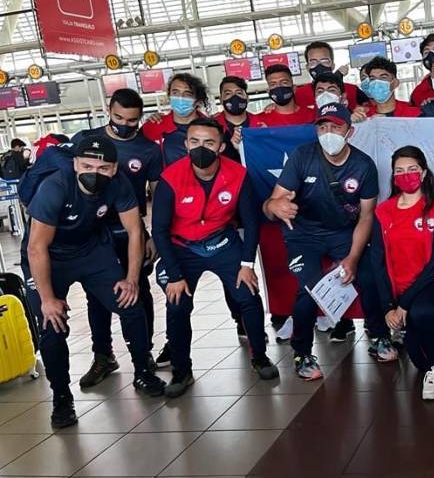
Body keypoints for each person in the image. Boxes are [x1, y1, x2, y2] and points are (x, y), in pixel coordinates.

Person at [23, 137, 166, 428]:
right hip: (49, 258)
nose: (94, 173)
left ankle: (143, 371)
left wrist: (131, 279)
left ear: (114, 169)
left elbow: (134, 231)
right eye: (87, 165)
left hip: (91, 251)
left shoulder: (119, 183)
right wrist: (49, 299)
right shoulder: (55, 187)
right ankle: (61, 397)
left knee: (130, 302)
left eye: (103, 168)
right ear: (75, 164)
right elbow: (36, 248)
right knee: (52, 325)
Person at [262, 103, 394, 380]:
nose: (328, 133)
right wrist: (275, 207)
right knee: (310, 289)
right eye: (323, 127)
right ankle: (302, 352)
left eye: (336, 127)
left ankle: (379, 336)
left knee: (369, 277)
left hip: (343, 233)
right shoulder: (302, 156)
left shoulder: (363, 165)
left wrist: (353, 258)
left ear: (350, 131)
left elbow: (367, 217)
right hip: (303, 235)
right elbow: (271, 203)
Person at [152, 119, 279, 397]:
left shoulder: (238, 174)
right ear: (186, 145)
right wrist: (174, 275)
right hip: (182, 248)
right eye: (194, 142)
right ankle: (182, 371)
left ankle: (260, 357)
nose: (201, 148)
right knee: (177, 306)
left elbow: (251, 221)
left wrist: (247, 264)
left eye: (208, 143)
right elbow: (159, 230)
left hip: (223, 242)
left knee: (248, 297)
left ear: (221, 146)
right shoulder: (170, 178)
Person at [69, 89, 164, 388]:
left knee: (139, 290)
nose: (124, 124)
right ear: (108, 111)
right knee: (96, 296)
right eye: (119, 117)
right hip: (94, 232)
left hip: (131, 231)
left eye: (132, 120)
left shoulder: (148, 150)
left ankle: (143, 353)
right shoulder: (88, 140)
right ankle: (103, 355)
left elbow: (156, 194)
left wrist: (153, 234)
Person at [371, 146, 434, 399]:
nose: (406, 175)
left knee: (421, 311)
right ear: (393, 176)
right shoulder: (383, 211)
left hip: (433, 284)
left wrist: (404, 304)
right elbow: (377, 261)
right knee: (417, 358)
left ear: (424, 172)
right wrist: (387, 306)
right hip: (400, 289)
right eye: (399, 171)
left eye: (412, 170)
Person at [141, 73, 209, 166]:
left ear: (198, 101)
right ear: (169, 96)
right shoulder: (153, 126)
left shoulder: (213, 128)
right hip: (168, 180)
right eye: (175, 93)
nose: (180, 98)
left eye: (187, 94)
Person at [294, 41, 369, 111]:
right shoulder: (299, 94)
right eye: (313, 62)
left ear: (333, 65)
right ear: (307, 67)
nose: (319, 65)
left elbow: (371, 108)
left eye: (325, 61)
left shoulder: (353, 90)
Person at [214, 75, 265, 162]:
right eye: (228, 93)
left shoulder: (262, 125)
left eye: (239, 93)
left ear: (247, 98)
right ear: (221, 100)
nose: (234, 97)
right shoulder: (211, 126)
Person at [352, 57, 421, 120]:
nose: (376, 83)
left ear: (395, 83)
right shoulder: (364, 117)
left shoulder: (415, 114)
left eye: (383, 78)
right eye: (372, 79)